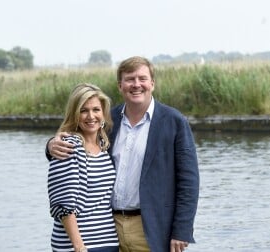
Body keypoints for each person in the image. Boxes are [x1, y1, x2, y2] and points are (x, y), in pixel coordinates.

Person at [46, 56, 199, 252]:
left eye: (142, 78)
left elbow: (189, 181)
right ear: (120, 85)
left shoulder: (174, 121)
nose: (136, 84)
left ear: (152, 83)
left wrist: (182, 230)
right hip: (110, 228)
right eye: (130, 79)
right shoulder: (109, 121)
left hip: (151, 228)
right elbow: (80, 143)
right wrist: (51, 145)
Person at [47, 83, 119, 252]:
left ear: (103, 113)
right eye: (83, 110)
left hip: (108, 242)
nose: (91, 116)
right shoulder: (69, 146)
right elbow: (63, 205)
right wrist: (79, 247)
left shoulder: (103, 145)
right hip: (78, 246)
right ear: (74, 114)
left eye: (96, 109)